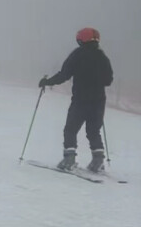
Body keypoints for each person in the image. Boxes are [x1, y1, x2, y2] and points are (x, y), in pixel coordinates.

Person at [39, 27, 114, 172]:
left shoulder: (78, 55)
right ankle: (97, 160)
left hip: (81, 99)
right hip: (98, 101)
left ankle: (69, 159)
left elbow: (64, 75)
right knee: (93, 130)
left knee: (70, 129)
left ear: (81, 39)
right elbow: (108, 80)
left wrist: (47, 82)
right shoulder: (102, 57)